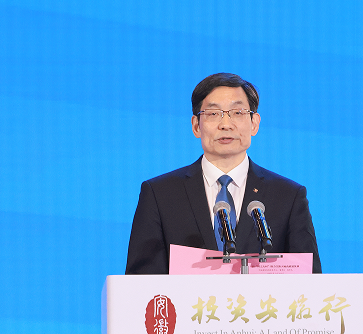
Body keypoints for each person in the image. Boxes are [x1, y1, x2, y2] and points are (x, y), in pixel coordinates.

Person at [125, 73, 321, 274]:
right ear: (196, 126)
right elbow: (140, 281)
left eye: (238, 112)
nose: (226, 124)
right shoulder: (160, 194)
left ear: (254, 123)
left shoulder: (288, 196)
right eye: (213, 114)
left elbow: (311, 279)